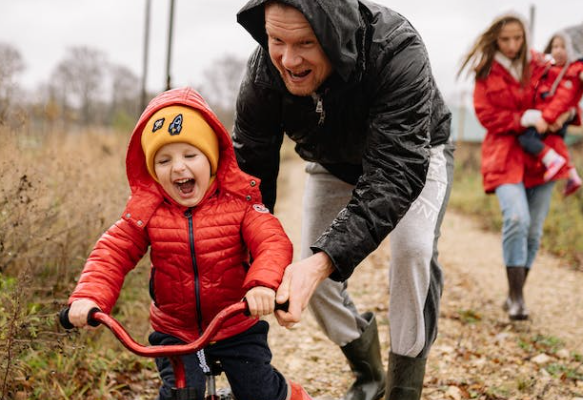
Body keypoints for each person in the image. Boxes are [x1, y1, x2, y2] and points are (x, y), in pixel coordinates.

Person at [233, 1, 454, 399]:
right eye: (276, 40)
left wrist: (323, 261)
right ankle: (368, 373)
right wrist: (246, 259)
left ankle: (404, 391)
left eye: (305, 43)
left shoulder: (397, 49)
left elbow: (394, 172)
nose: (288, 58)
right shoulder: (263, 73)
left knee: (413, 251)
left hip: (413, 155)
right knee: (312, 281)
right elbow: (250, 176)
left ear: (335, 35)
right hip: (331, 161)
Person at [66, 87, 313, 400]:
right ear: (152, 170)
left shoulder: (239, 204)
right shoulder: (148, 212)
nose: (178, 168)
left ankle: (294, 396)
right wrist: (89, 297)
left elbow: (272, 242)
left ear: (211, 158)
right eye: (164, 160)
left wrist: (262, 285)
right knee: (182, 394)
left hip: (235, 324)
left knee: (259, 393)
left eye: (190, 155)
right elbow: (111, 253)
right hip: (176, 332)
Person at [458, 13, 572, 321]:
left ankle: (515, 295)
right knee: (517, 218)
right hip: (504, 154)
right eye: (505, 39)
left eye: (517, 38)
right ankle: (517, 296)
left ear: (524, 38)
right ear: (496, 38)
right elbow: (485, 114)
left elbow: (565, 89)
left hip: (541, 156)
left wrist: (567, 111)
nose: (511, 45)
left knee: (534, 232)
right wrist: (521, 118)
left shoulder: (539, 64)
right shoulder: (486, 71)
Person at [515, 31, 583, 195]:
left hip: (550, 117)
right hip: (549, 116)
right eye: (555, 46)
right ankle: (571, 175)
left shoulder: (572, 71)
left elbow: (562, 99)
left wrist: (546, 118)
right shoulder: (550, 69)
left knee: (526, 138)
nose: (558, 50)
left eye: (563, 47)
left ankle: (552, 160)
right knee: (555, 142)